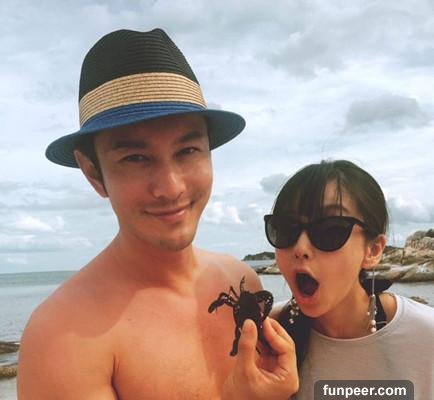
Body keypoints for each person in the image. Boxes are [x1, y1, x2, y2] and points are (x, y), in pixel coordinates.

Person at [17, 28, 298, 399]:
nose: (171, 187)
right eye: (135, 158)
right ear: (93, 174)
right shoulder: (62, 335)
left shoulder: (240, 276)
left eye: (188, 151)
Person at [263, 160, 434, 399]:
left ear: (373, 250)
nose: (301, 248)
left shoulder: (425, 337)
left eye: (330, 230)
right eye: (286, 228)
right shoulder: (265, 336)